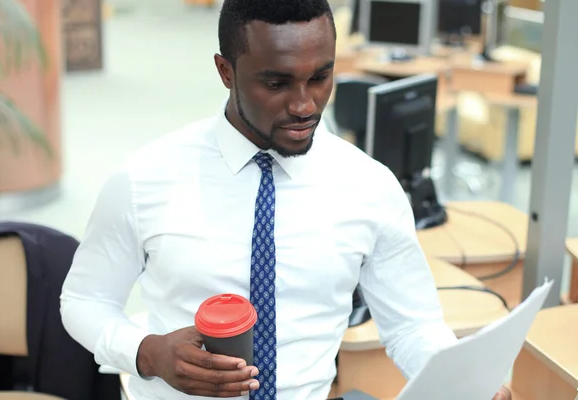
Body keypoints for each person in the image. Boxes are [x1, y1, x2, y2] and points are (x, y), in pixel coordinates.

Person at [59, 0, 512, 399]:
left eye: (320, 77)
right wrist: (146, 352)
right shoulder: (144, 179)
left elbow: (413, 326)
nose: (305, 105)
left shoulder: (369, 187)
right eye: (276, 83)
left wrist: (466, 384)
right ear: (226, 71)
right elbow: (83, 300)